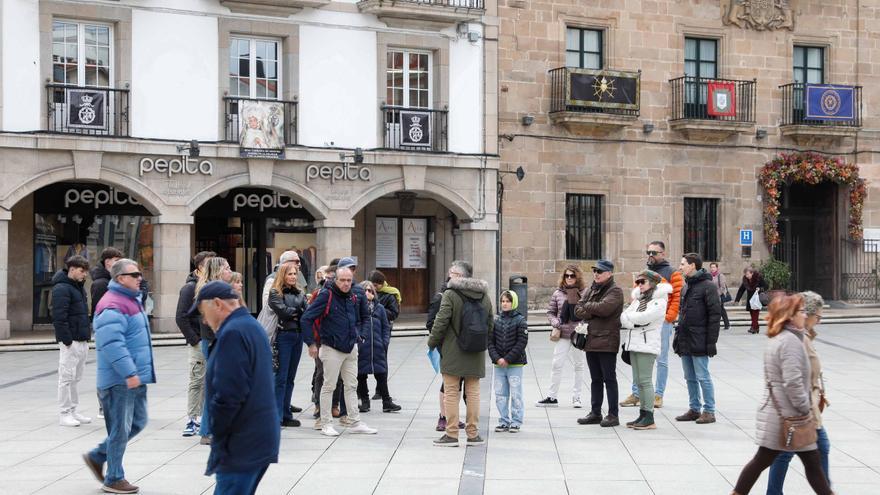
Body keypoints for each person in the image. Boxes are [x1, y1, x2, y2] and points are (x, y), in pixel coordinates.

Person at [731, 294, 833, 495]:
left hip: (781, 414)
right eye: (801, 312)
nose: (805, 315)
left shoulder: (781, 338)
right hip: (790, 416)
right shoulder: (790, 342)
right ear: (790, 316)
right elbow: (793, 382)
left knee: (803, 463)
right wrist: (806, 408)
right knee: (768, 461)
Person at [190, 281, 279, 495]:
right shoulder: (251, 325)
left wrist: (218, 435)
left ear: (218, 304)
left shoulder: (233, 333)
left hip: (241, 442)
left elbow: (228, 395)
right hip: (259, 437)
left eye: (203, 311)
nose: (203, 319)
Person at [83, 259, 156, 495]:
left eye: (140, 273)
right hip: (120, 381)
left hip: (134, 377)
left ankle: (97, 456)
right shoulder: (112, 304)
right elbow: (112, 344)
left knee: (137, 422)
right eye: (134, 274)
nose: (140, 278)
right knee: (120, 430)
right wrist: (129, 373)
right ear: (119, 278)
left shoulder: (130, 300)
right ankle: (114, 477)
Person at [301, 265, 378, 437]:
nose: (345, 284)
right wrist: (311, 343)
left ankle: (354, 421)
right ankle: (326, 423)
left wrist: (361, 336)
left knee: (352, 385)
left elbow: (365, 317)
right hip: (331, 348)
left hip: (350, 347)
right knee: (329, 385)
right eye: (342, 280)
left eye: (349, 280)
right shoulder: (326, 295)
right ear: (335, 280)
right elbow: (306, 318)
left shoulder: (354, 296)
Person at [767, 291, 831, 494]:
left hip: (803, 409)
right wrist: (805, 409)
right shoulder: (797, 339)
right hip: (801, 411)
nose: (819, 321)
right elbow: (792, 380)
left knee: (784, 453)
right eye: (817, 316)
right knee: (819, 448)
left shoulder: (804, 336)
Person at [428, 260, 494, 447]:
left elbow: (441, 322)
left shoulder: (450, 294)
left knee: (451, 392)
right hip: (476, 351)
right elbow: (490, 324)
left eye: (452, 273)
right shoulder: (484, 295)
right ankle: (473, 435)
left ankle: (451, 434)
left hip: (453, 350)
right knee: (473, 393)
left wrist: (432, 342)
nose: (449, 276)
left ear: (461, 276)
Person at [621, 241, 683, 410]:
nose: (650, 255)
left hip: (661, 322)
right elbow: (636, 294)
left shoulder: (673, 273)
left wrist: (668, 318)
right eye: (648, 252)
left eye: (654, 252)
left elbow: (676, 297)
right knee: (638, 356)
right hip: (641, 321)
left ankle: (658, 395)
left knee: (661, 359)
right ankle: (636, 393)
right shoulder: (643, 273)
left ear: (663, 254)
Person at [674, 253, 722, 424]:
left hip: (700, 339)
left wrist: (711, 343)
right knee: (689, 377)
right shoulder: (686, 286)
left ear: (692, 265)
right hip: (685, 339)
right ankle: (694, 408)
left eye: (683, 264)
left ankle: (709, 411)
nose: (680, 267)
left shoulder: (708, 286)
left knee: (702, 376)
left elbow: (715, 316)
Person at [575, 259, 624, 427]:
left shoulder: (615, 290)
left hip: (607, 339)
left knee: (609, 379)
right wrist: (591, 309)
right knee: (595, 379)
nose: (596, 273)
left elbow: (605, 309)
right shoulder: (591, 289)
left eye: (600, 271)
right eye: (595, 270)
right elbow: (577, 310)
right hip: (591, 339)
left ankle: (613, 415)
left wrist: (587, 307)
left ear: (609, 273)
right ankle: (595, 412)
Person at [620, 270, 671, 430]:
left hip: (647, 344)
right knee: (638, 381)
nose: (639, 285)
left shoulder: (659, 301)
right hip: (634, 343)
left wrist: (630, 320)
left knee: (645, 380)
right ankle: (642, 414)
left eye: (643, 282)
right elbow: (624, 315)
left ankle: (649, 417)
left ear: (652, 283)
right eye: (638, 282)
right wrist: (631, 320)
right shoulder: (639, 299)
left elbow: (645, 318)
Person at [175, 251, 215, 438]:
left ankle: (204, 418)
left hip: (211, 340)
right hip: (199, 341)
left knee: (209, 380)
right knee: (197, 379)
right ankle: (192, 418)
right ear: (199, 267)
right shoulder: (190, 288)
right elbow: (181, 317)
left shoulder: (211, 286)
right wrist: (195, 340)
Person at [196, 257, 234, 444]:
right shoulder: (210, 291)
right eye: (227, 268)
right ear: (218, 271)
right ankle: (206, 431)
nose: (230, 271)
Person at [538, 264, 587, 408]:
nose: (569, 278)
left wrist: (583, 324)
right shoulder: (558, 293)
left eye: (572, 275)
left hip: (579, 334)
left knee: (579, 366)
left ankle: (577, 397)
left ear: (577, 277)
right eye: (567, 275)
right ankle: (552, 397)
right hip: (563, 334)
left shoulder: (584, 293)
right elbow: (550, 312)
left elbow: (589, 312)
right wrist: (555, 322)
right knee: (556, 365)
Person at [53, 255, 92, 427]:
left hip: (82, 339)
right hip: (71, 341)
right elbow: (59, 318)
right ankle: (64, 413)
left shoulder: (79, 288)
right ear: (72, 269)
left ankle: (73, 410)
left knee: (76, 378)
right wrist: (67, 341)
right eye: (82, 271)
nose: (84, 275)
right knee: (66, 378)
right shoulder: (62, 288)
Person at [268, 262, 307, 427]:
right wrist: (298, 311)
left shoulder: (300, 292)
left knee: (290, 378)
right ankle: (276, 416)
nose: (292, 277)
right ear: (282, 275)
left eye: (294, 274)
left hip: (298, 336)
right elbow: (283, 312)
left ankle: (286, 413)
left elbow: (307, 311)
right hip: (283, 336)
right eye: (289, 274)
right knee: (281, 377)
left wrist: (296, 312)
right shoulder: (275, 292)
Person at [426, 277, 464, 432]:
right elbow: (430, 324)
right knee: (448, 382)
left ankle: (453, 416)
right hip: (446, 347)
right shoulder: (440, 298)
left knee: (459, 381)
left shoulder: (461, 298)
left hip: (460, 346)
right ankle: (443, 416)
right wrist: (442, 341)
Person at [356, 281, 401, 413]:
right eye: (365, 290)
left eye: (370, 291)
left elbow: (385, 327)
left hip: (377, 346)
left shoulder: (379, 308)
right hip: (363, 347)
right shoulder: (357, 307)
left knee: (381, 373)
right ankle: (365, 401)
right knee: (361, 375)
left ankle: (386, 401)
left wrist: (384, 342)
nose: (368, 293)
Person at [490, 290, 528, 433]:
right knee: (500, 394)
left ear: (514, 303)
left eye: (508, 301)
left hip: (515, 364)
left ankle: (516, 421)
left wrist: (507, 359)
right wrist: (497, 358)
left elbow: (521, 342)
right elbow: (490, 342)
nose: (505, 304)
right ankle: (504, 420)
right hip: (499, 365)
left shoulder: (520, 320)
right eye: (503, 301)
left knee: (516, 393)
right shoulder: (496, 320)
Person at [735, 266, 769, 334]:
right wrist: (737, 299)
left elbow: (766, 286)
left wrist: (760, 288)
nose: (747, 276)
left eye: (748, 274)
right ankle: (756, 327)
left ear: (752, 273)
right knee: (752, 313)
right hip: (750, 299)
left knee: (755, 313)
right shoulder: (745, 280)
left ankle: (753, 327)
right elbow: (741, 290)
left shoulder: (758, 278)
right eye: (745, 274)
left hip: (757, 298)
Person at [90, 247, 123, 316]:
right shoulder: (100, 284)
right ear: (107, 262)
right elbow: (99, 311)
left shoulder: (113, 280)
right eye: (116, 261)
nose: (120, 264)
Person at [710, 262, 731, 330]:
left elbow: (723, 287)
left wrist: (717, 294)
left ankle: (726, 324)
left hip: (719, 296)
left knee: (720, 310)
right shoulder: (709, 276)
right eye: (711, 267)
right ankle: (725, 324)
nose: (712, 268)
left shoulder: (720, 276)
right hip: (711, 296)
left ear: (717, 268)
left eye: (714, 267)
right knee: (719, 310)